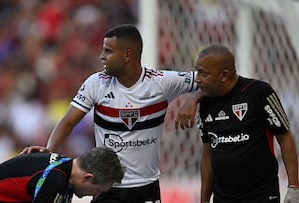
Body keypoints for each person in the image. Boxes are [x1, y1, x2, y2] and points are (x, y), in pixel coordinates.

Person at [20, 23, 201, 202]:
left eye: (108, 51)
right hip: (107, 187)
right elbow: (68, 121)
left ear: (127, 55)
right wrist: (49, 150)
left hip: (146, 187)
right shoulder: (96, 83)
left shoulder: (161, 82)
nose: (102, 56)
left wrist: (194, 98)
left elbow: (209, 79)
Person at [195, 44, 299, 203]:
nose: (197, 78)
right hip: (223, 198)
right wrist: (204, 200)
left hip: (261, 196)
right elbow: (208, 153)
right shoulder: (205, 104)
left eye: (203, 73)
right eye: (197, 72)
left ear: (224, 75)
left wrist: (294, 187)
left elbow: (285, 138)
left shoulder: (260, 93)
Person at [0, 147, 124, 203]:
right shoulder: (54, 180)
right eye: (99, 190)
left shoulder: (64, 173)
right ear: (87, 177)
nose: (96, 196)